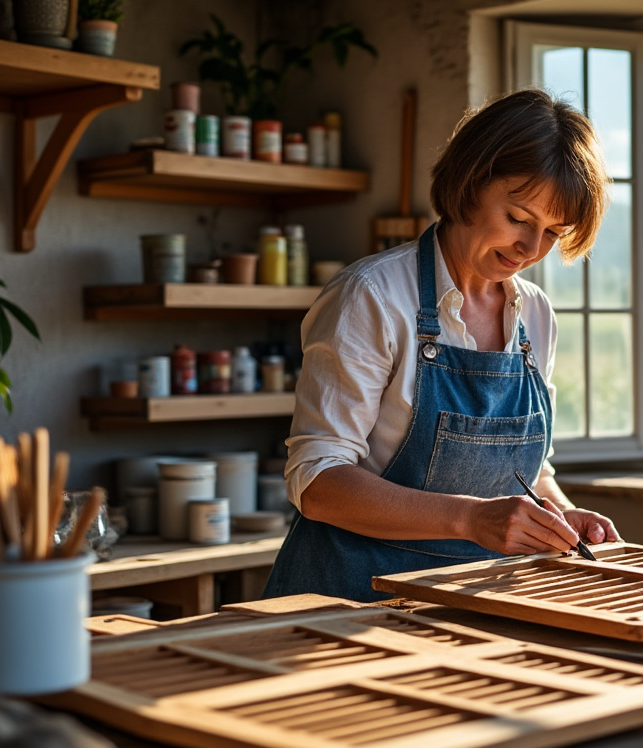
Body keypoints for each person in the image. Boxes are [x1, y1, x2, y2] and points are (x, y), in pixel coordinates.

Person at [263, 89, 621, 602]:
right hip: (347, 601)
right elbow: (318, 482)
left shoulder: (535, 313)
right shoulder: (373, 296)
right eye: (519, 218)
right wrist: (471, 519)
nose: (531, 248)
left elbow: (527, 475)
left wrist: (559, 517)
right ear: (471, 182)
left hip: (474, 604)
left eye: (553, 233)